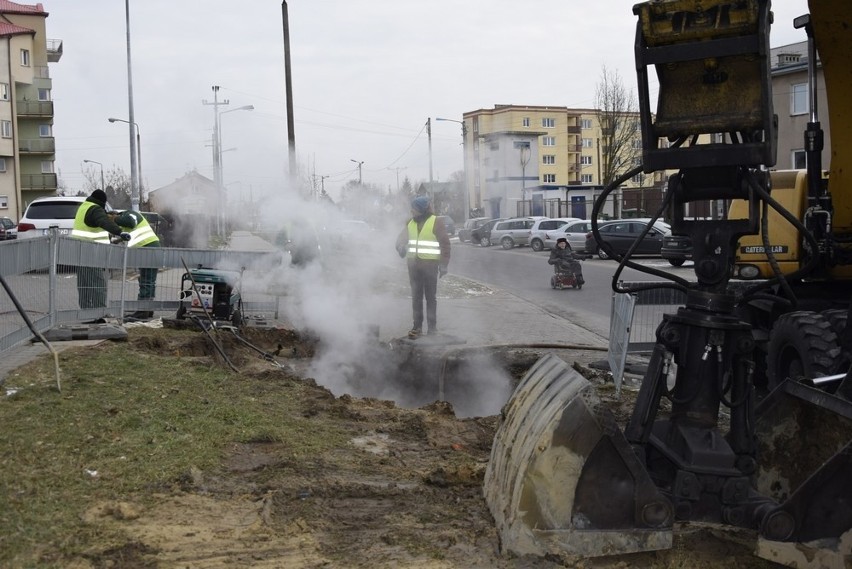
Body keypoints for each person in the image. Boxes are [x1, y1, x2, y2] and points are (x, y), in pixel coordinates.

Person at [395, 196, 451, 338]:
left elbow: (445, 244)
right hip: (413, 267)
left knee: (430, 298)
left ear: (420, 209)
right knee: (416, 297)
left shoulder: (436, 222)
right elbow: (400, 239)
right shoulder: (410, 223)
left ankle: (432, 329)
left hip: (430, 266)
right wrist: (401, 247)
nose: (411, 211)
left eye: (413, 208)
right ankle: (417, 327)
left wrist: (443, 265)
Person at [70, 189, 130, 310]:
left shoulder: (84, 207)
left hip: (79, 251)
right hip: (91, 253)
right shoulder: (95, 209)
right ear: (102, 202)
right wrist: (120, 232)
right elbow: (104, 222)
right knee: (98, 284)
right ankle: (99, 312)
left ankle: (86, 311)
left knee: (84, 284)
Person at [114, 209, 161, 319]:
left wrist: (115, 219)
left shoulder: (129, 214)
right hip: (149, 248)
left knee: (146, 279)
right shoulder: (126, 220)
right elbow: (127, 235)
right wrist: (116, 241)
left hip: (148, 248)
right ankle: (147, 309)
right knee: (148, 279)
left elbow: (130, 222)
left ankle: (142, 311)